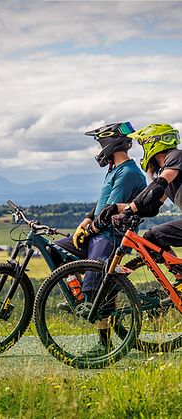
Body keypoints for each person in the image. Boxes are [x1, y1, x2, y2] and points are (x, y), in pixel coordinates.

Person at [52, 122, 146, 355]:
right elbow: (101, 203)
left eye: (101, 144)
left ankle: (103, 342)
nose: (99, 150)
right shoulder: (114, 170)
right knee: (55, 251)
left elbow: (111, 212)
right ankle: (80, 294)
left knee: (95, 285)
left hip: (110, 236)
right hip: (97, 232)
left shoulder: (128, 173)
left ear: (110, 144)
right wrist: (85, 221)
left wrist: (89, 230)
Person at [111, 123, 182, 254]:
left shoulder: (175, 156)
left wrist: (129, 210)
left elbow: (157, 186)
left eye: (143, 146)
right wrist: (117, 208)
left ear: (152, 144)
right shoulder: (170, 171)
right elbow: (151, 206)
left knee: (153, 236)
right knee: (151, 239)